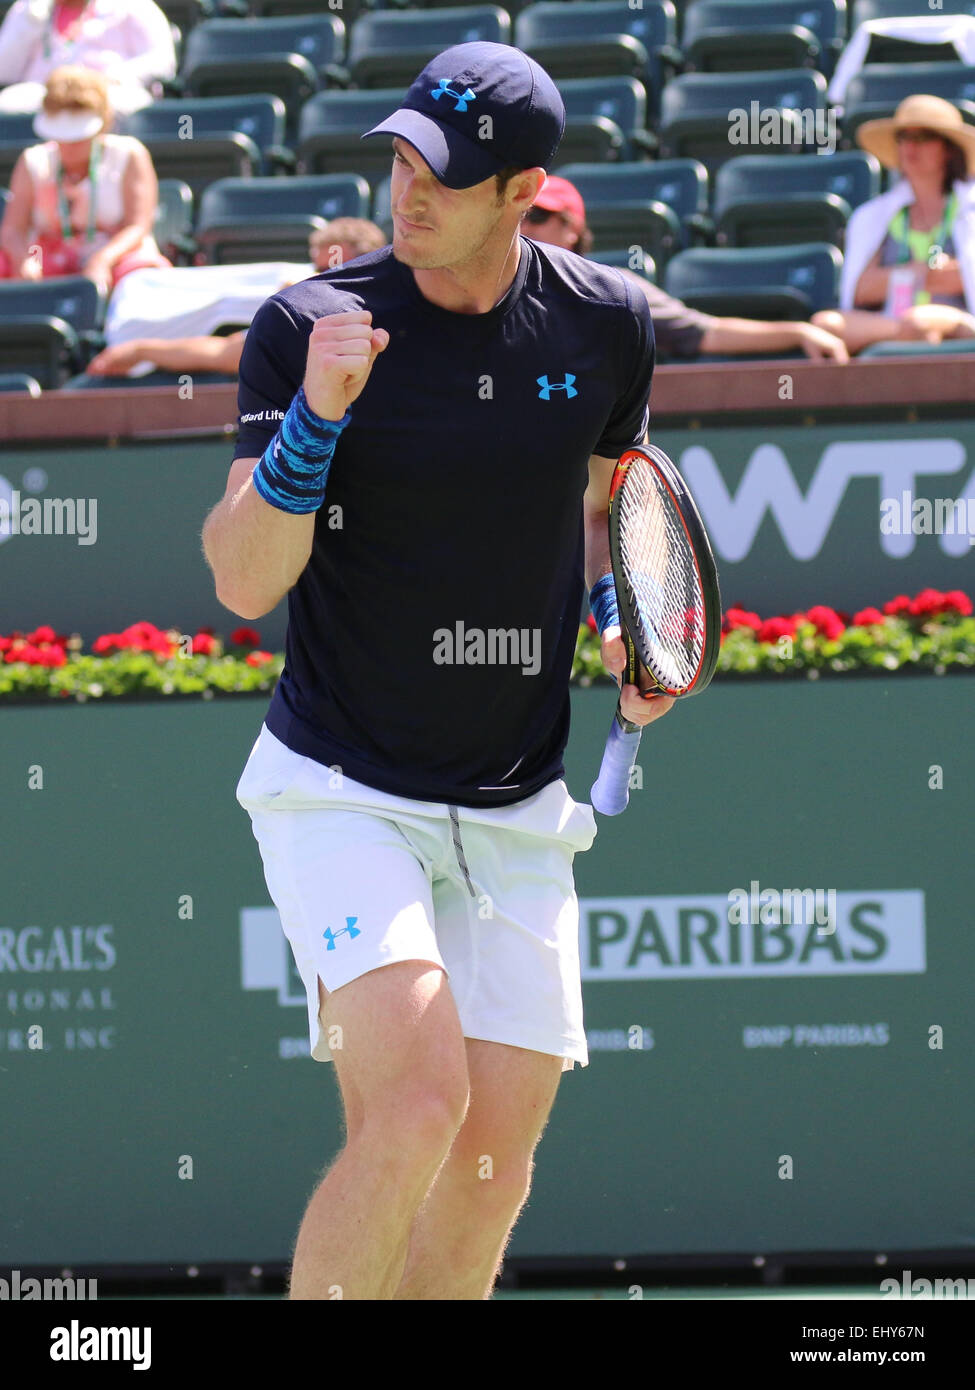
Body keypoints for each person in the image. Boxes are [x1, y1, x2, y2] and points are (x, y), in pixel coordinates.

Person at [202, 41, 671, 1301]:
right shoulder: (308, 325)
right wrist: (319, 416)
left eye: (446, 177)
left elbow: (610, 497)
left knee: (488, 1167)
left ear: (524, 193)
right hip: (340, 788)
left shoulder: (607, 323)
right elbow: (244, 578)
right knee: (415, 1107)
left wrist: (620, 612)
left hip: (517, 801)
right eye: (402, 158)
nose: (409, 193)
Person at [527, 174, 849, 362]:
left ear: (573, 228)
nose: (523, 226)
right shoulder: (487, 289)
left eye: (537, 216)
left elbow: (707, 333)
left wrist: (797, 331)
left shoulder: (610, 291)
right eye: (518, 214)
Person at [84, 218, 387, 378]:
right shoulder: (309, 315)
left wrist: (142, 350)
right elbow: (224, 352)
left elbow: (227, 355)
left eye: (332, 268)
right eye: (317, 268)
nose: (319, 279)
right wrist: (140, 350)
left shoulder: (371, 313)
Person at [812, 94, 975, 354]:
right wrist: (928, 273)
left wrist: (894, 279)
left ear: (949, 149)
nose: (910, 147)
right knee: (825, 325)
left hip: (961, 323)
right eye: (903, 138)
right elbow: (860, 291)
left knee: (919, 321)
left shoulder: (971, 208)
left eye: (922, 137)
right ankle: (908, 337)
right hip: (894, 322)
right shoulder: (873, 215)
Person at [0, 65, 171, 292]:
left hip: (117, 254)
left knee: (142, 275)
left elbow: (137, 226)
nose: (70, 145)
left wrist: (102, 260)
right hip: (45, 256)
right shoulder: (33, 160)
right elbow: (13, 229)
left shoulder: (129, 154)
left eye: (78, 138)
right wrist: (24, 261)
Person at [0, 0, 174, 116]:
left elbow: (162, 60)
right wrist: (30, 22)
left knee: (126, 103)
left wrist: (112, 77)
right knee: (9, 104)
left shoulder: (134, 5)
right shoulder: (28, 8)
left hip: (110, 94)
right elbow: (4, 70)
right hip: (43, 97)